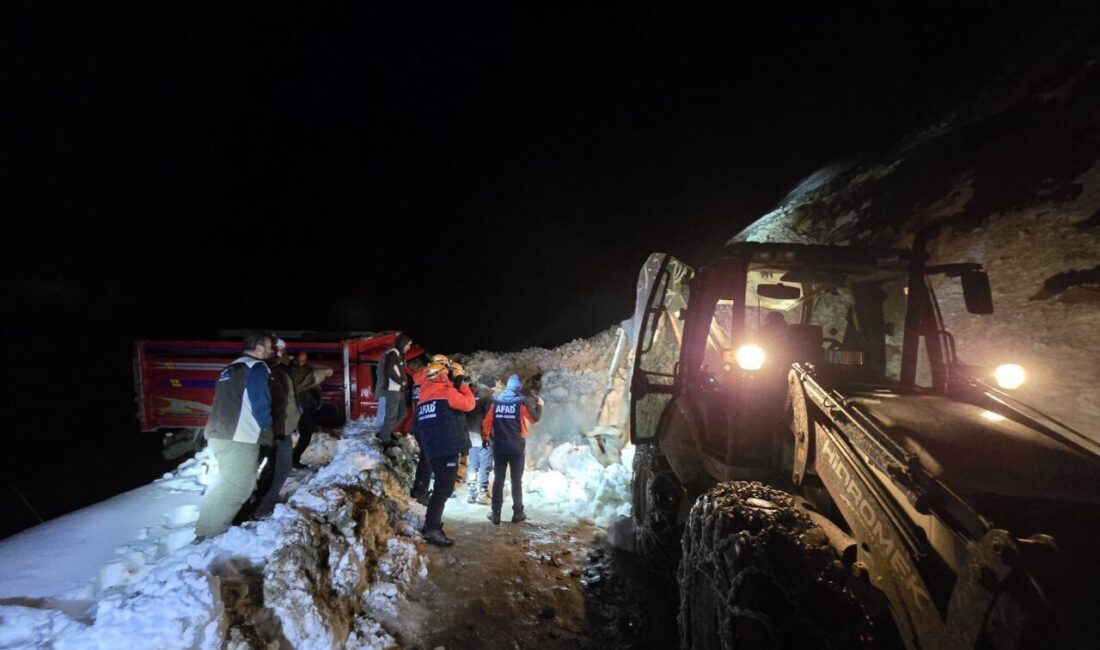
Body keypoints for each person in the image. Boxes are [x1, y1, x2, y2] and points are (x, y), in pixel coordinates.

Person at [194, 332, 274, 540]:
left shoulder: (229, 368)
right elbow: (260, 403)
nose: (271, 350)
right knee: (238, 488)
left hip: (218, 433)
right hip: (240, 436)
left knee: (225, 483)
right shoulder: (256, 367)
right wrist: (267, 429)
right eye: (268, 346)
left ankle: (205, 529)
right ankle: (211, 536)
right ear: (258, 349)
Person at [415, 360, 475, 546]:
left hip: (433, 447)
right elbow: (469, 404)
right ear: (442, 375)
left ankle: (430, 525)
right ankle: (432, 529)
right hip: (447, 446)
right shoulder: (446, 393)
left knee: (441, 486)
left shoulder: (423, 396)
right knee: (444, 488)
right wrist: (462, 383)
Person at [482, 374, 542, 525]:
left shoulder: (495, 401)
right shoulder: (521, 402)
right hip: (516, 447)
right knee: (516, 481)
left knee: (498, 480)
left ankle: (495, 513)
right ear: (518, 387)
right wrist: (539, 406)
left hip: (499, 447)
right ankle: (518, 512)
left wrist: (485, 438)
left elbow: (487, 422)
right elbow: (535, 418)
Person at [290, 351, 333, 468]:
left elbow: (314, 385)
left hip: (307, 405)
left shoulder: (306, 369)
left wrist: (317, 399)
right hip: (297, 406)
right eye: (299, 360)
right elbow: (308, 380)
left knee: (306, 435)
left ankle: (293, 458)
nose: (301, 363)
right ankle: (290, 459)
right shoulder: (292, 371)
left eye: (303, 360)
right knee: (298, 435)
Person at [375, 333, 413, 445]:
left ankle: (385, 431)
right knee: (391, 416)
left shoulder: (398, 354)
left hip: (398, 391)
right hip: (392, 390)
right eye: (407, 345)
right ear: (402, 344)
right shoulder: (392, 354)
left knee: (403, 413)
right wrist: (401, 381)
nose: (409, 347)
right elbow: (389, 371)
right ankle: (385, 440)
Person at [465, 376, 496, 504]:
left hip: (470, 435)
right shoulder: (488, 399)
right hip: (483, 436)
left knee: (473, 463)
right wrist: (487, 435)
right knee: (485, 464)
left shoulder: (472, 395)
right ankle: (483, 493)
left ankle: (471, 491)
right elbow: (488, 419)